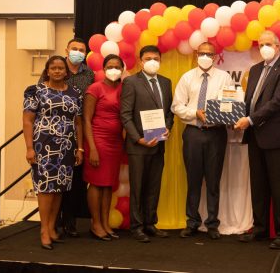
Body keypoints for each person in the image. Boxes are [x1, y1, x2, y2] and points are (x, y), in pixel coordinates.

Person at [235, 30, 280, 250]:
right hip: (255, 138)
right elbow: (248, 100)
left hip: (278, 139)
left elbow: (278, 102)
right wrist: (230, 114)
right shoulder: (254, 70)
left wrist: (250, 119)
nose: (264, 48)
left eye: (268, 44)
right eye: (261, 44)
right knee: (258, 186)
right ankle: (260, 229)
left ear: (278, 47)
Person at [171, 42, 233, 240]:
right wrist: (194, 113)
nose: (205, 56)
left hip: (216, 134)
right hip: (193, 133)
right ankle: (192, 222)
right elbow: (176, 106)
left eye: (209, 54)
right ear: (196, 54)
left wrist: (224, 115)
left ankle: (212, 223)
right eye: (202, 53)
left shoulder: (225, 77)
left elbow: (230, 104)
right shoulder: (187, 77)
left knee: (213, 180)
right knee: (193, 180)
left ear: (215, 57)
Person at [23, 55, 83, 250]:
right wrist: (30, 148)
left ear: (66, 71)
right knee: (46, 188)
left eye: (60, 68)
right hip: (44, 146)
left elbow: (78, 122)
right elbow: (28, 121)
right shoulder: (36, 91)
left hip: (66, 147)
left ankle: (51, 227)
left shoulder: (75, 92)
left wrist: (79, 148)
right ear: (47, 71)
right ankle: (43, 230)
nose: (57, 71)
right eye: (53, 68)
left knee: (59, 189)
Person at [39, 38, 95, 237]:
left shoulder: (89, 74)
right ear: (67, 50)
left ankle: (68, 223)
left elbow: (84, 109)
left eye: (81, 50)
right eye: (74, 49)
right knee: (49, 186)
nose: (78, 52)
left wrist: (81, 145)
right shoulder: (54, 68)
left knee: (71, 183)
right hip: (47, 139)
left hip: (73, 136)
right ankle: (50, 226)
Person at [120, 45, 174, 243]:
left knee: (153, 185)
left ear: (160, 60)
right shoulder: (131, 82)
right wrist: (138, 138)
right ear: (141, 61)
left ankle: (150, 223)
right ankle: (136, 226)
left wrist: (168, 127)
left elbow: (169, 112)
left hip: (159, 142)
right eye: (148, 58)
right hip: (138, 145)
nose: (152, 61)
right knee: (138, 186)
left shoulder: (166, 82)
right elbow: (125, 115)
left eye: (156, 58)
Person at [83, 54, 124, 241]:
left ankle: (105, 223)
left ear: (122, 69)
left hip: (116, 142)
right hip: (97, 140)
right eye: (110, 66)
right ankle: (95, 224)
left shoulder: (125, 88)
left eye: (117, 66)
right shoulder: (95, 88)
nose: (113, 69)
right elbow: (86, 119)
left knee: (109, 185)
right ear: (104, 69)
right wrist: (91, 147)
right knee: (96, 183)